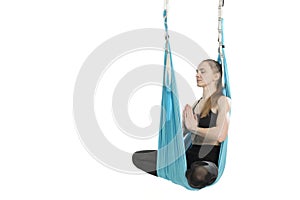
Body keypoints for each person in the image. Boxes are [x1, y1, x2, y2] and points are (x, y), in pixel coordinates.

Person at [132, 59, 231, 189]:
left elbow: (220, 136)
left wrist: (194, 128)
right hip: (188, 156)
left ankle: (185, 174)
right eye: (197, 71)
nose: (197, 75)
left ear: (216, 76)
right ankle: (181, 173)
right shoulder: (195, 104)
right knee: (139, 158)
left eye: (203, 71)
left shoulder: (223, 101)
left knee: (200, 174)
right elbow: (183, 134)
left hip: (207, 161)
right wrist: (181, 127)